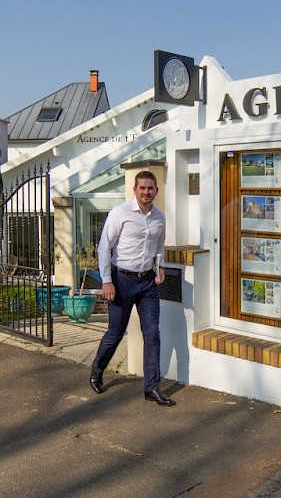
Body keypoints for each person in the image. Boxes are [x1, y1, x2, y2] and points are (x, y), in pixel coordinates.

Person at [89, 170, 175, 406]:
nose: (146, 192)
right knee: (116, 332)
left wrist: (160, 267)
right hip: (121, 281)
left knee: (152, 333)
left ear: (156, 191)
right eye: (142, 188)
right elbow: (104, 248)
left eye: (150, 188)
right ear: (135, 190)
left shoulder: (160, 218)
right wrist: (106, 280)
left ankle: (152, 388)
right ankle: (97, 370)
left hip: (147, 282)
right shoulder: (120, 213)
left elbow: (159, 247)